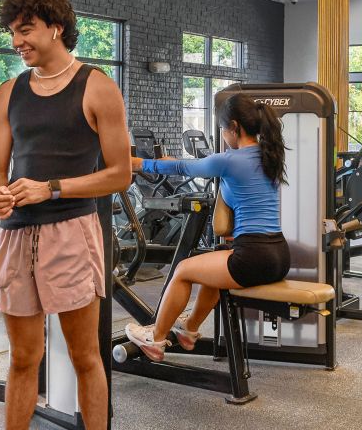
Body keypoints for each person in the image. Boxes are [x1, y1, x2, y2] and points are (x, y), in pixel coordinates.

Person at [0, 0, 132, 430]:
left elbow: (120, 173)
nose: (17, 41)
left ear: (56, 28)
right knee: (22, 359)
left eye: (26, 30)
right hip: (17, 234)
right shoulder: (8, 92)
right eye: (13, 32)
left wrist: (53, 188)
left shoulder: (97, 87)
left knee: (84, 354)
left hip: (71, 228)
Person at [123, 95, 290, 358]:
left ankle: (154, 339)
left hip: (253, 257)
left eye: (224, 129)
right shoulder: (269, 157)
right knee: (212, 272)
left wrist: (139, 163)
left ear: (234, 127)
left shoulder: (229, 160)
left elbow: (182, 166)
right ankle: (188, 329)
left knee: (182, 270)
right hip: (279, 255)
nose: (223, 135)